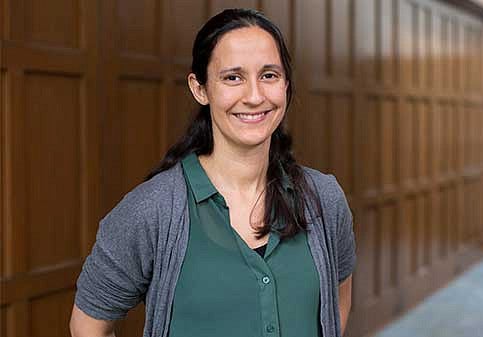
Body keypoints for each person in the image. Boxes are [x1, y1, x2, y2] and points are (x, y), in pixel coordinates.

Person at [70, 8, 356, 337]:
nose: (254, 96)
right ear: (200, 88)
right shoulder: (151, 210)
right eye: (233, 77)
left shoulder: (324, 200)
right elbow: (87, 325)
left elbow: (338, 298)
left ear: (286, 86)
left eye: (269, 75)